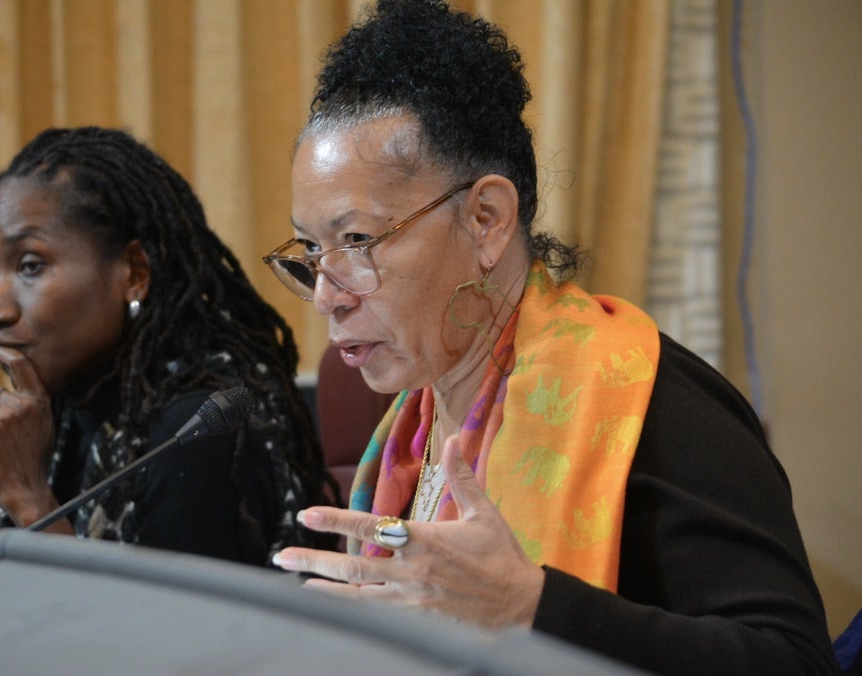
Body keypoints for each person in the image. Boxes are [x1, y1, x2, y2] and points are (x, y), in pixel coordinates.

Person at [263, 1, 840, 672]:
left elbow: (794, 661)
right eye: (311, 251)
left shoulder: (647, 401)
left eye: (358, 241)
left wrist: (532, 607)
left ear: (485, 219)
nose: (327, 296)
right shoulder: (409, 427)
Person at [0, 126, 338, 566]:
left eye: (29, 266)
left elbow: (159, 632)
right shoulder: (60, 418)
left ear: (135, 271)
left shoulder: (200, 429)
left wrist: (29, 499)